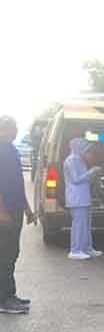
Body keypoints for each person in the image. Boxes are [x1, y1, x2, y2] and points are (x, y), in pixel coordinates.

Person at [0, 116, 36, 314]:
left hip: (14, 209)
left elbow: (17, 183)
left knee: (12, 252)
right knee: (4, 254)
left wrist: (27, 209)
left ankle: (9, 294)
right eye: (10, 128)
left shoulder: (11, 150)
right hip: (4, 211)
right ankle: (4, 299)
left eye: (15, 128)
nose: (14, 132)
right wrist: (2, 211)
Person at [63, 138, 103, 261]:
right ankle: (75, 250)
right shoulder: (71, 160)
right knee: (79, 225)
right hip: (76, 198)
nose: (89, 153)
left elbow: (84, 179)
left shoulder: (79, 160)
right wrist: (92, 171)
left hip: (83, 197)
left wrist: (94, 176)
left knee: (86, 225)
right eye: (87, 150)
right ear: (79, 148)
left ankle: (87, 248)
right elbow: (76, 179)